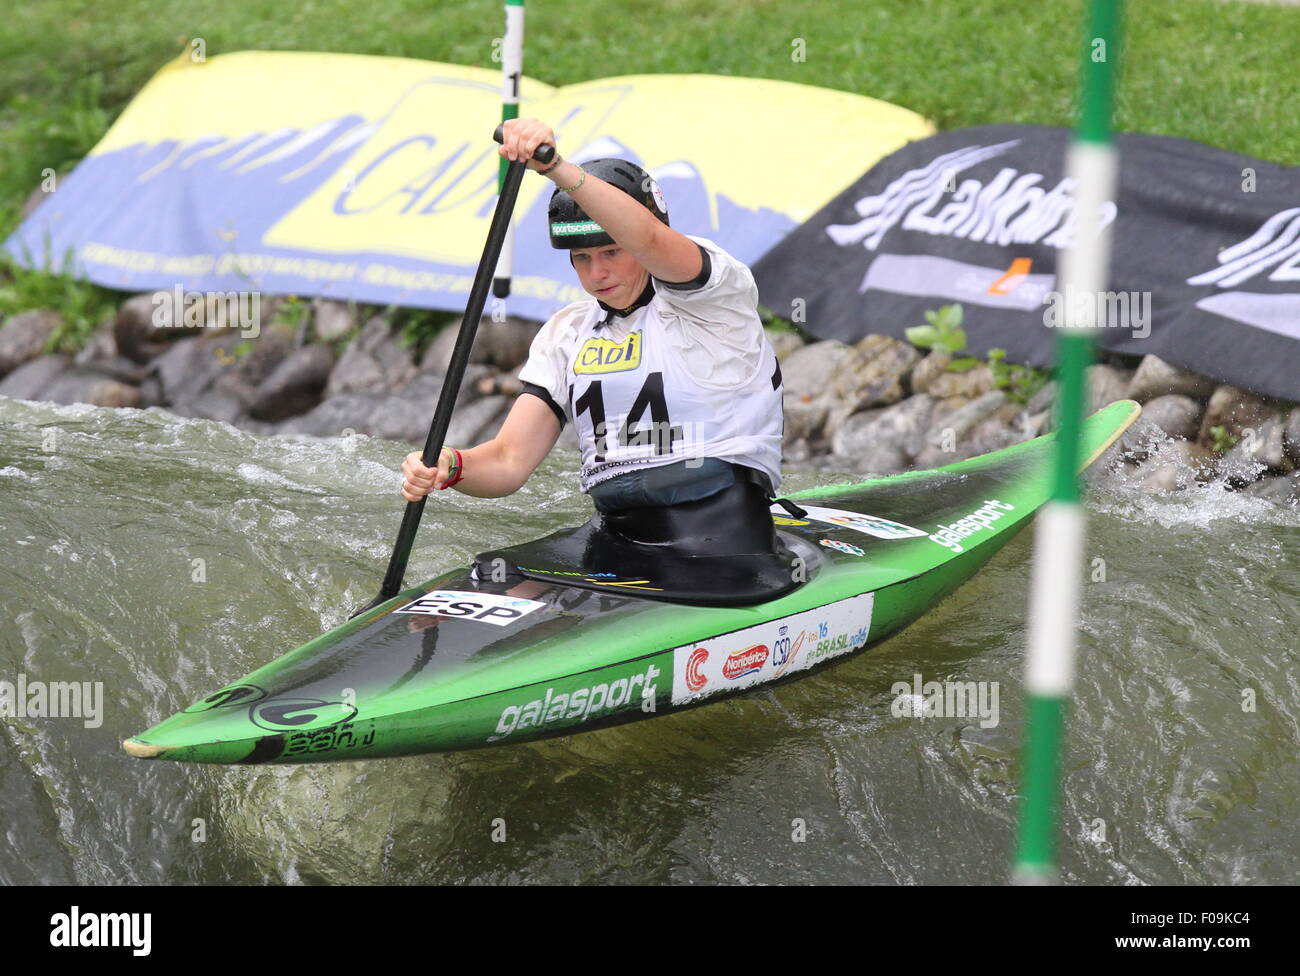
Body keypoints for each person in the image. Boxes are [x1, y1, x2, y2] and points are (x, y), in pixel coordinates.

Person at [400, 117, 786, 553]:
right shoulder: (568, 331)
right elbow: (508, 461)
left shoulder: (714, 300)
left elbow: (650, 240)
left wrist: (555, 168)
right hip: (614, 539)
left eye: (611, 252)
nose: (596, 273)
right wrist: (450, 467)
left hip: (725, 537)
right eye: (581, 258)